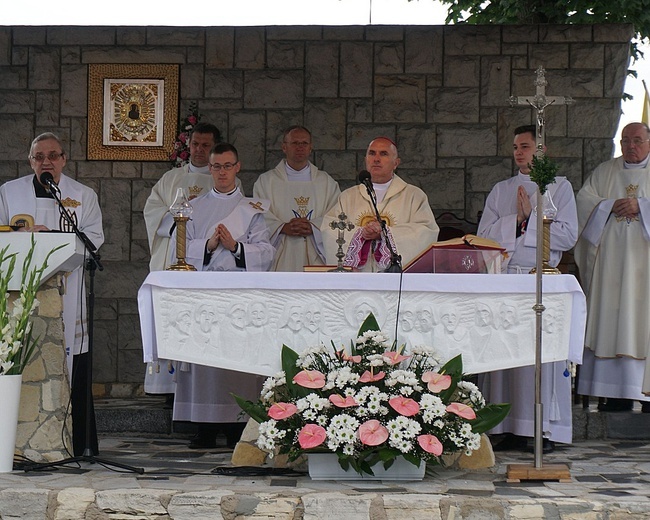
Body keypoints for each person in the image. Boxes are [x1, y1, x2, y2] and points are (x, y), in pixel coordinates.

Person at [0, 132, 105, 456]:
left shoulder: (81, 194)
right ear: (30, 161)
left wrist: (55, 238)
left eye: (52, 156)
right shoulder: (9, 192)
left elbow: (94, 237)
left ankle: (79, 441)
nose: (46, 162)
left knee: (73, 362)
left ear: (63, 159)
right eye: (39, 156)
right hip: (19, 291)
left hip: (68, 288)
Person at [477, 124, 578, 453]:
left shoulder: (559, 189)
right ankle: (503, 425)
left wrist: (531, 216)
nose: (518, 152)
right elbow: (484, 237)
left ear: (541, 150)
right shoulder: (501, 189)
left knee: (538, 356)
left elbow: (567, 235)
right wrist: (518, 222)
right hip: (506, 281)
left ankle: (540, 428)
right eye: (516, 147)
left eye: (525, 146)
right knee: (504, 356)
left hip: (540, 280)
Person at [173, 142, 274, 449]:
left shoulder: (253, 209)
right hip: (203, 294)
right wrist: (207, 245)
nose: (222, 172)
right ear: (210, 169)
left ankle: (235, 425)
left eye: (228, 166)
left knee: (235, 362)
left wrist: (235, 247)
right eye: (216, 166)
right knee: (204, 361)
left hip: (237, 295)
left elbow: (267, 252)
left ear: (237, 168)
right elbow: (180, 250)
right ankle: (202, 426)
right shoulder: (194, 207)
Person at [142, 122, 241, 396]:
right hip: (175, 261)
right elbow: (153, 214)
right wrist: (184, 224)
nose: (199, 150)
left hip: (212, 266)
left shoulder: (226, 178)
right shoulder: (171, 179)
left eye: (206, 145)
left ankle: (204, 390)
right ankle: (166, 389)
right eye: (195, 144)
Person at [575, 122, 650, 413]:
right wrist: (608, 206)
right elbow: (585, 203)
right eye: (625, 140)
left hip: (645, 269)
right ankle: (613, 395)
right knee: (611, 317)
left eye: (638, 140)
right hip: (610, 269)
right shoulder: (605, 171)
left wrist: (642, 207)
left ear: (648, 142)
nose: (631, 146)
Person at [323, 137, 439, 271]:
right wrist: (360, 234)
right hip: (357, 278)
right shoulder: (348, 197)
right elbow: (329, 228)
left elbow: (426, 231)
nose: (376, 159)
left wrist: (385, 233)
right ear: (366, 159)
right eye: (372, 153)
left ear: (396, 163)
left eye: (383, 154)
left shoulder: (414, 196)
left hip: (396, 282)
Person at [253, 125, 340, 271]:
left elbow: (337, 214)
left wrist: (313, 226)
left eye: (304, 143)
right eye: (294, 143)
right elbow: (259, 217)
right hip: (281, 254)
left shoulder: (326, 182)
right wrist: (282, 227)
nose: (300, 147)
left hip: (316, 257)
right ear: (284, 147)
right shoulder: (266, 181)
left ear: (310, 148)